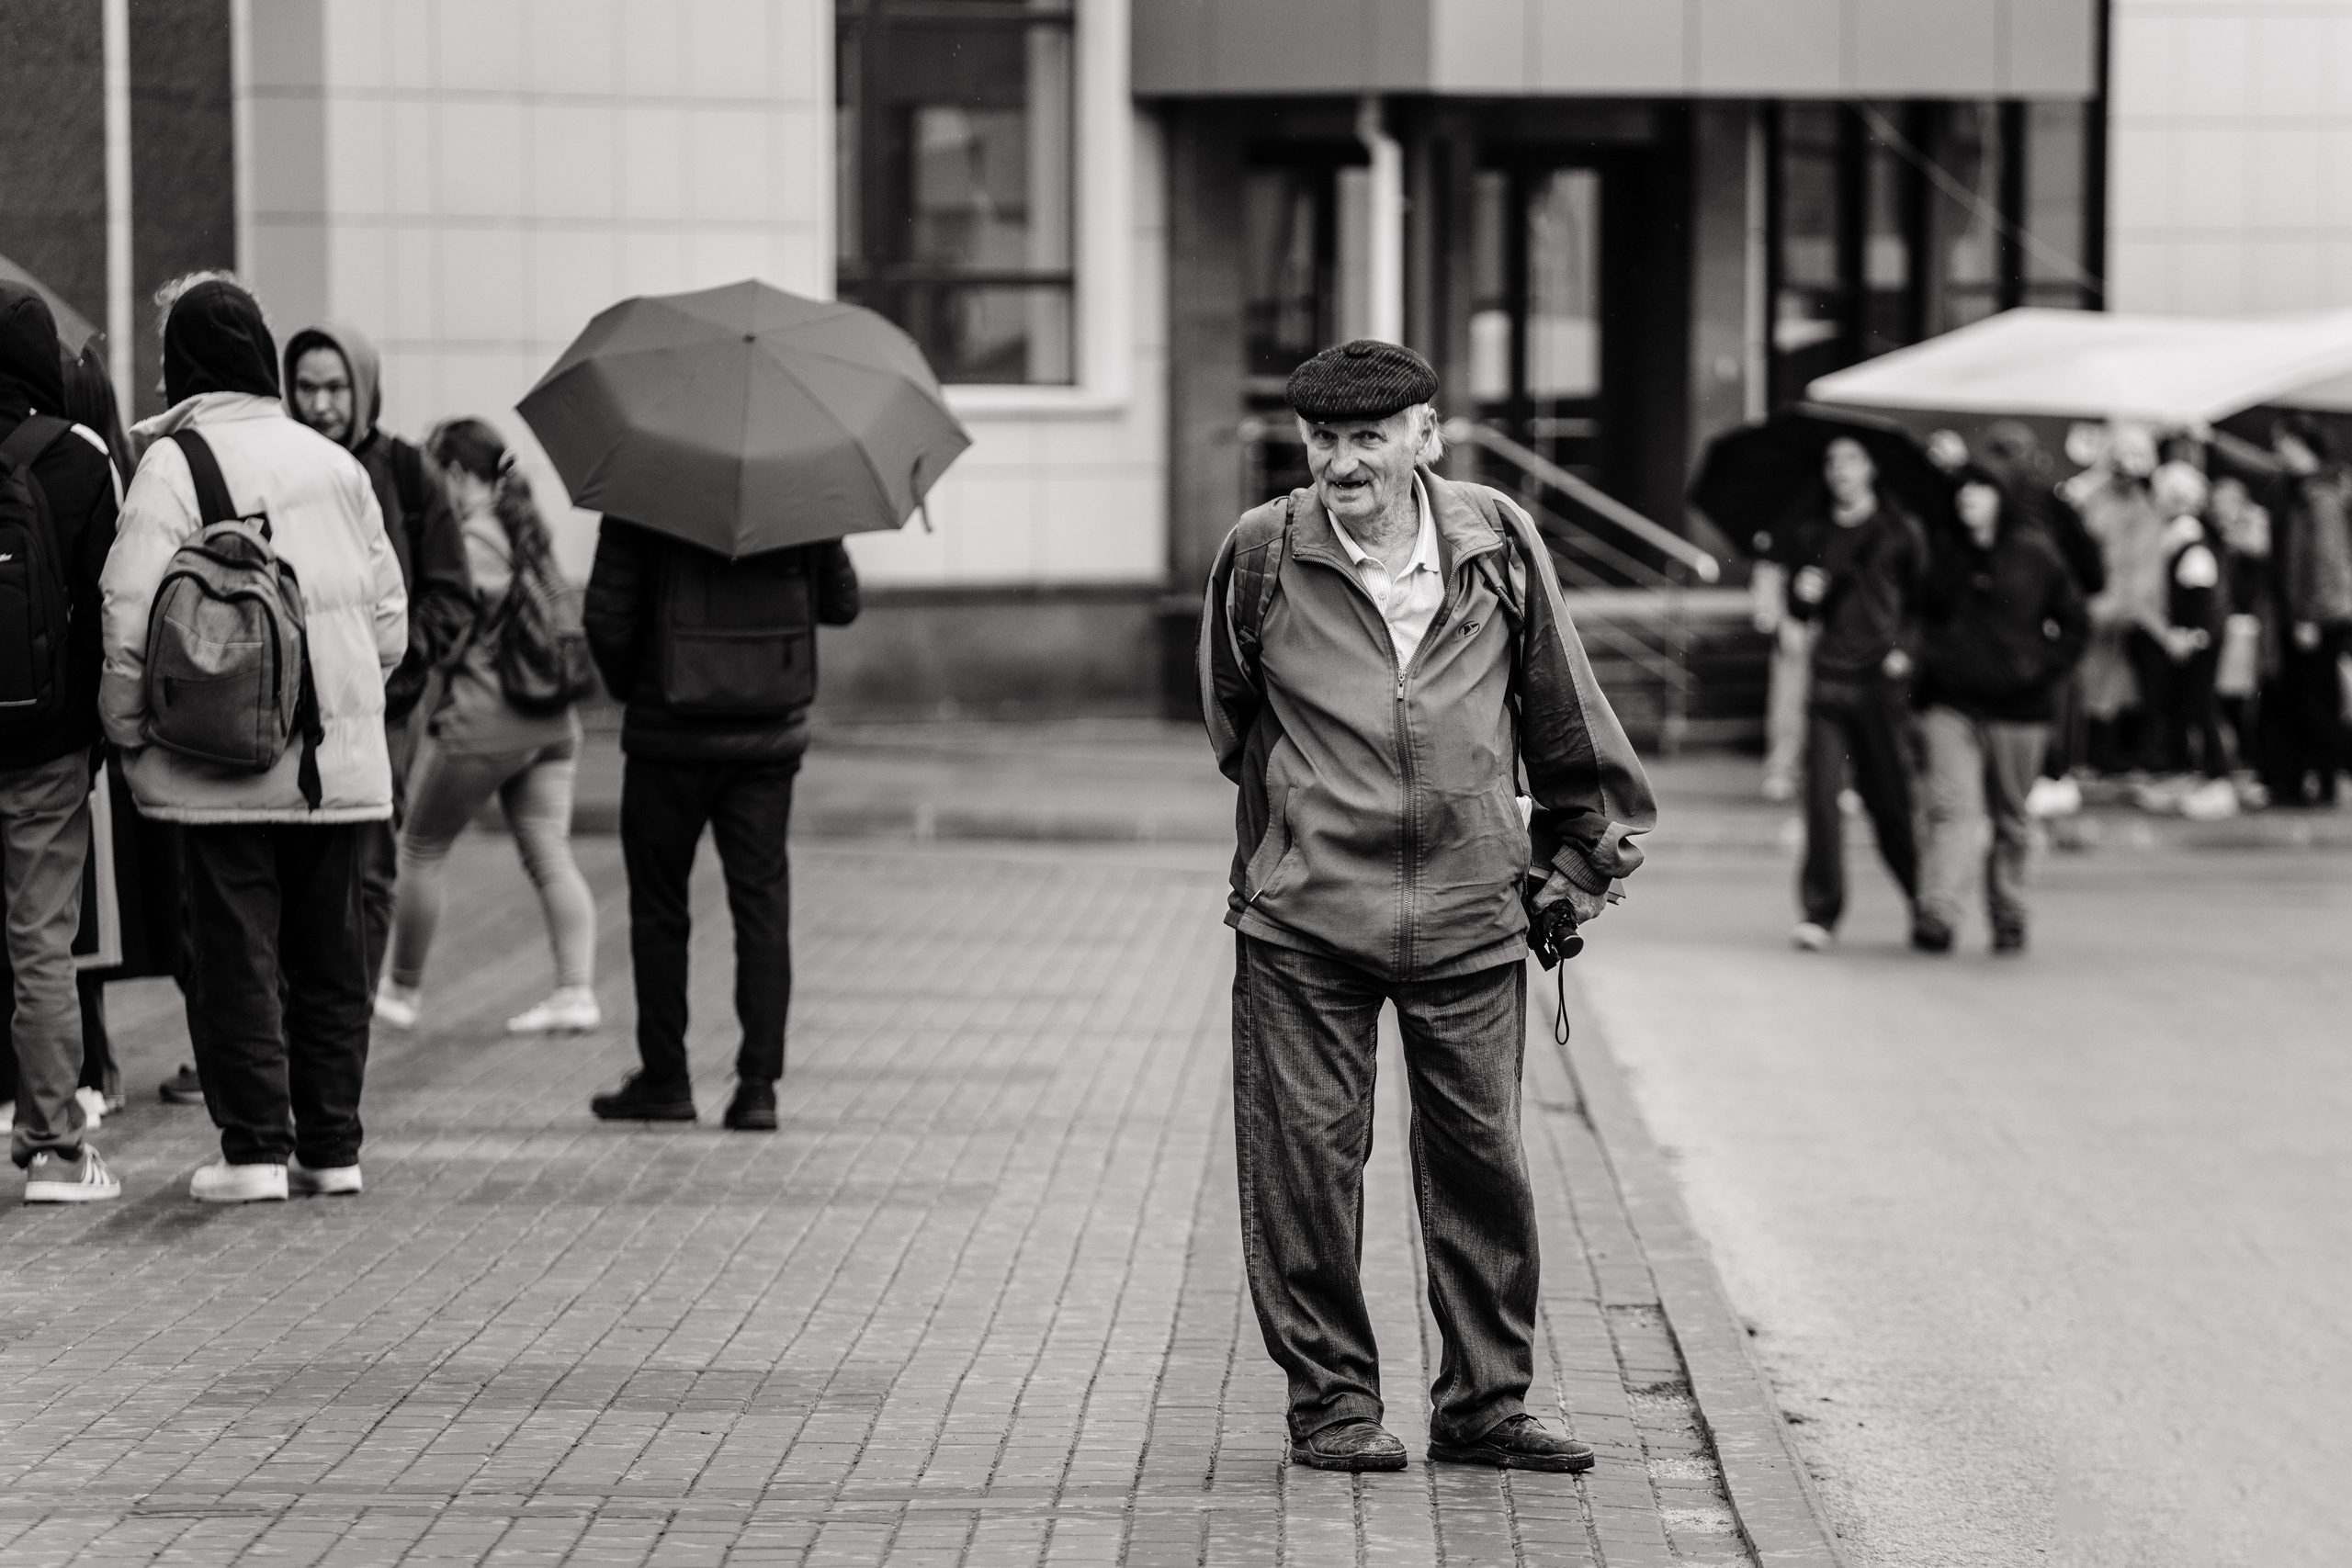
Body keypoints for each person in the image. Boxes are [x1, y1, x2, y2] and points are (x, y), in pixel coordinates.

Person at [1199, 339, 1653, 1476]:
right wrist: (1302, 822)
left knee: (1481, 1164)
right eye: (1322, 440)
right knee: (1303, 1164)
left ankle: (1485, 1406)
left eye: (1367, 437)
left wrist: (1577, 853)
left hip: (1470, 910)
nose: (1342, 462)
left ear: (1423, 436)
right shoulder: (1262, 553)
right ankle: (1333, 1405)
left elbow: (1559, 699)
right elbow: (1231, 720)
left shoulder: (1494, 536)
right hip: (1306, 922)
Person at [99, 274, 406, 1203]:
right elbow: (390, 622)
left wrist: (127, 725)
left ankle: (254, 1151)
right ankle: (333, 1147)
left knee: (234, 952)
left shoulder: (173, 466)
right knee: (330, 955)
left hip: (221, 756)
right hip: (337, 763)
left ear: (183, 364)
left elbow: (129, 613)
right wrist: (340, 694)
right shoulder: (334, 462)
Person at [582, 509, 860, 1131]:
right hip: (766, 739)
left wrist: (643, 686)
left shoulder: (643, 491)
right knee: (761, 906)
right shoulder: (795, 495)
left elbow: (606, 617)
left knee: (658, 910)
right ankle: (758, 1086)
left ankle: (666, 1078)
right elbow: (842, 603)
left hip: (667, 740)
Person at [374, 418, 596, 1033]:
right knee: (550, 853)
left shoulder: (474, 538)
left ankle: (401, 992)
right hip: (555, 720)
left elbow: (447, 633)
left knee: (420, 847)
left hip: (489, 718)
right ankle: (576, 991)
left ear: (455, 474)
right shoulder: (529, 529)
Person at [0, 281, 122, 1201]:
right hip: (46, 738)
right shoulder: (79, 455)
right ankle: (51, 1147)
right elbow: (109, 608)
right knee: (41, 934)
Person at [1912, 468, 2087, 954]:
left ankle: (2008, 913)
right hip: (1952, 703)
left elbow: (2075, 621)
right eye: (1962, 490)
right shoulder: (1941, 552)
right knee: (1952, 810)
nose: (1968, 497)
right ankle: (1940, 911)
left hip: (2019, 708)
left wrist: (2041, 666)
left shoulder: (2034, 553)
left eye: (1980, 488)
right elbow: (1916, 616)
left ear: (1999, 498)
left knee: (2011, 817)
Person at [1784, 435, 1929, 952]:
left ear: (1870, 469)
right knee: (1821, 800)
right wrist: (1802, 598)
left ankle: (1923, 899)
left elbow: (1922, 606)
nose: (1839, 471)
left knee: (1890, 801)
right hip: (1828, 679)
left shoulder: (1900, 531)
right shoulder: (1814, 533)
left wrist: (1906, 654)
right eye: (1831, 462)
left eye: (1850, 461)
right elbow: (1800, 611)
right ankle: (1820, 913)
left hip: (1879, 683)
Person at [2213, 415, 2352, 807]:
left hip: (2312, 619)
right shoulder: (2299, 486)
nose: (2277, 452)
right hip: (2296, 615)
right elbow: (2256, 463)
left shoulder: (2320, 495)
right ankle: (2293, 781)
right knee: (2290, 701)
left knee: (2314, 703)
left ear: (2298, 444)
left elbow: (2325, 562)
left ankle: (2321, 783)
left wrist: (2311, 617)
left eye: (2283, 444)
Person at [2071, 425, 2168, 775]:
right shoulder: (2091, 498)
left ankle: (2120, 757)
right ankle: (2092, 757)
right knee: (2094, 687)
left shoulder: (2149, 504)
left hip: (2139, 611)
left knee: (2126, 689)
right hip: (2101, 606)